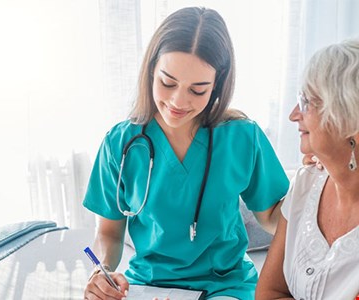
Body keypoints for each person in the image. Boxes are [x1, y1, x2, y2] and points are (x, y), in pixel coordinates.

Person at [83, 6, 289, 300]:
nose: (178, 101)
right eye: (168, 83)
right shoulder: (120, 144)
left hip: (225, 287)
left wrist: (322, 183)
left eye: (198, 90)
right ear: (151, 70)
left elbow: (272, 217)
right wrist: (101, 272)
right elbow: (109, 233)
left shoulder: (242, 137)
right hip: (148, 286)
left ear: (218, 85)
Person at [255, 38, 359, 300]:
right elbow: (268, 293)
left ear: (350, 118)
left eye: (306, 102)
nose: (293, 115)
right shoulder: (306, 182)